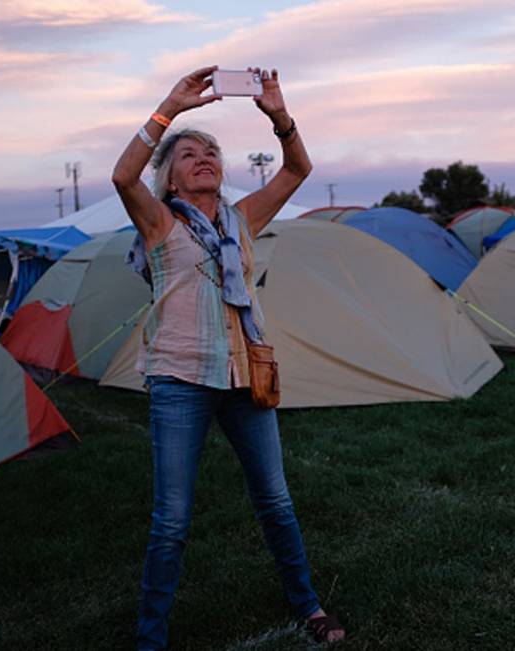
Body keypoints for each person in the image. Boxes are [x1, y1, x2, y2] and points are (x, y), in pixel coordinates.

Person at [112, 66, 345, 649]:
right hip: (180, 379)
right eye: (189, 154)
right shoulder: (159, 220)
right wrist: (171, 107)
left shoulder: (242, 219)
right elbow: (122, 175)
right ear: (170, 178)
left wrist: (278, 116)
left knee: (276, 500)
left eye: (211, 152)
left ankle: (308, 606)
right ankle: (150, 639)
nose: (204, 158)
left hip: (246, 375)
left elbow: (298, 169)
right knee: (171, 522)